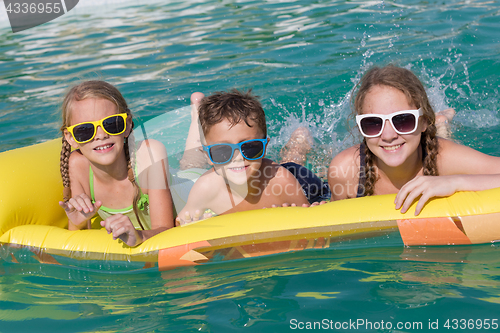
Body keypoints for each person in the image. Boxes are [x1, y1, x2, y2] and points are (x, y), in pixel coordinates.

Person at [328, 64, 500, 215]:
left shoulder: (445, 158)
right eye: (373, 123)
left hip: (430, 148)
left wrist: (455, 181)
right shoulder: (345, 171)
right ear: (361, 128)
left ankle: (441, 123)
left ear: (424, 121)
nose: (388, 136)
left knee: (442, 137)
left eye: (403, 120)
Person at [176, 89, 329, 225]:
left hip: (297, 178)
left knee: (292, 162)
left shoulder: (281, 181)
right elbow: (180, 223)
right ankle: (197, 111)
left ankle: (299, 142)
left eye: (250, 147)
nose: (237, 158)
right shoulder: (205, 188)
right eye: (222, 151)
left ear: (264, 146)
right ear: (208, 156)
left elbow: (309, 222)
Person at [58, 80, 174, 246]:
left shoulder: (149, 154)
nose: (100, 136)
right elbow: (77, 246)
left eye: (111, 124)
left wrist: (140, 236)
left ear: (126, 125)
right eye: (85, 130)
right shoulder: (79, 165)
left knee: (191, 167)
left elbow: (167, 231)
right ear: (71, 138)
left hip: (188, 196)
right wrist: (78, 223)